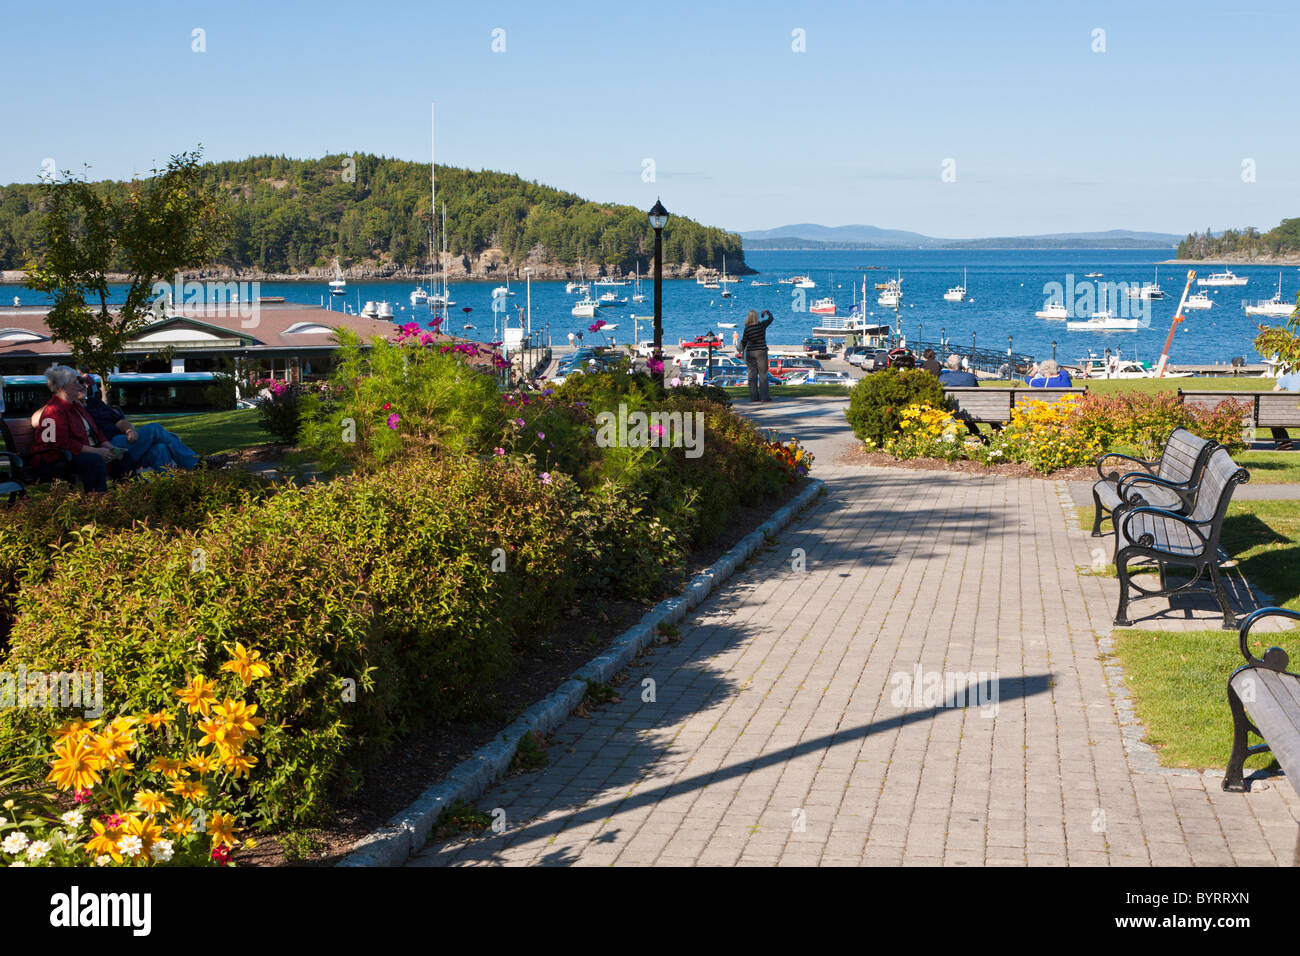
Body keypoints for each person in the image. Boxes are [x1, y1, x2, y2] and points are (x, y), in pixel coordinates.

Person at [76, 373, 201, 472]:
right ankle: (195, 464)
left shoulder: (95, 403)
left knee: (160, 448)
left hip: (124, 439)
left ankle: (170, 490)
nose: (82, 386)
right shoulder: (74, 409)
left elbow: (119, 421)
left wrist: (129, 429)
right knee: (155, 429)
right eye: (76, 384)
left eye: (82, 382)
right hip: (108, 444)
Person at [28, 366, 119, 492]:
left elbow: (96, 431)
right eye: (75, 382)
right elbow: (62, 444)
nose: (81, 385)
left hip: (79, 453)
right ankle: (97, 503)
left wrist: (111, 448)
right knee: (95, 461)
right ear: (62, 387)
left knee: (123, 457)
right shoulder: (53, 410)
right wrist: (96, 451)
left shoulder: (76, 406)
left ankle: (129, 499)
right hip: (56, 459)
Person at [741, 308, 775, 402]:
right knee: (763, 374)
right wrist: (767, 312)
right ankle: (764, 397)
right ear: (756, 317)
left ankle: (754, 397)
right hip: (761, 351)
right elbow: (771, 319)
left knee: (752, 375)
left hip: (750, 352)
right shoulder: (761, 325)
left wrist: (743, 352)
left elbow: (744, 342)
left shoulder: (747, 329)